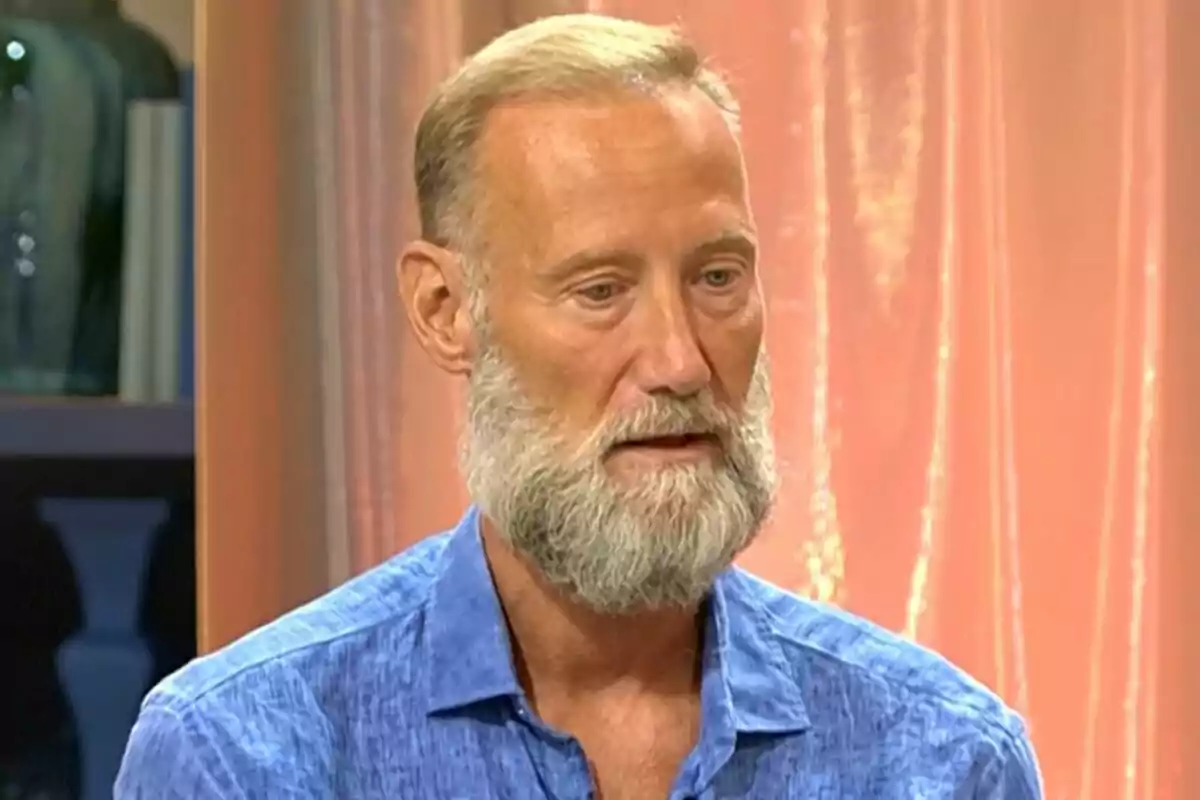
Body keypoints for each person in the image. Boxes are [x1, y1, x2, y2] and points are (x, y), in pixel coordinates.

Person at [115, 13, 1043, 799]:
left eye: (718, 278)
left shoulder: (941, 760)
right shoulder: (245, 756)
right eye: (600, 290)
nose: (680, 360)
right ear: (446, 311)